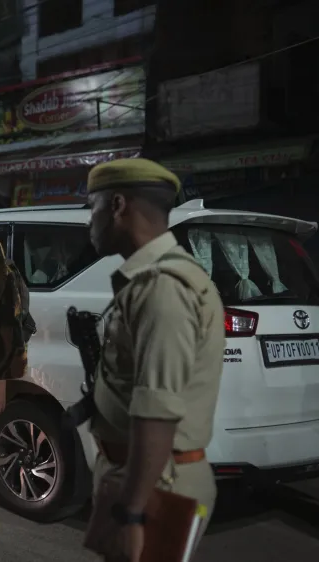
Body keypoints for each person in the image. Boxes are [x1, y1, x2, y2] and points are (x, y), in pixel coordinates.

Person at [85, 158, 224, 561]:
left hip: (157, 486)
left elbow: (157, 412)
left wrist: (133, 514)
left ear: (117, 205)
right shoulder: (146, 282)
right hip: (138, 476)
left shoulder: (163, 288)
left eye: (91, 208)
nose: (88, 222)